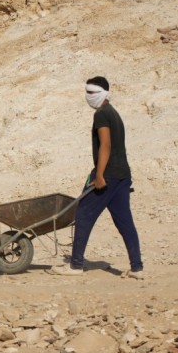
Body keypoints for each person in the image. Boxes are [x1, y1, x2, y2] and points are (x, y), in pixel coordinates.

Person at [48, 76, 144, 279]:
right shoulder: (114, 113)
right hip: (123, 176)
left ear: (103, 93)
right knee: (124, 221)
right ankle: (137, 268)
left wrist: (99, 175)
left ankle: (75, 266)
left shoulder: (101, 114)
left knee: (83, 214)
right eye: (86, 92)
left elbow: (106, 145)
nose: (88, 97)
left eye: (91, 92)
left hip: (108, 175)